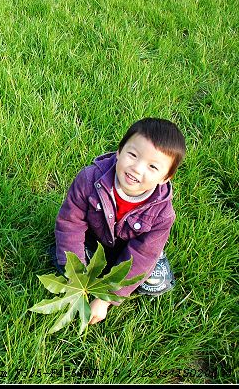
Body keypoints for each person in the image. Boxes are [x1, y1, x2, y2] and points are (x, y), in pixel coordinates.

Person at [48, 118, 186, 325]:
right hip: (97, 238)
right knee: (64, 259)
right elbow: (71, 223)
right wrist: (77, 276)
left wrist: (105, 299)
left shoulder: (162, 214)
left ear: (165, 178)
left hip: (133, 249)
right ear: (119, 151)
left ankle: (153, 262)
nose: (137, 169)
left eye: (152, 167)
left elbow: (142, 255)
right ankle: (87, 263)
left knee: (153, 282)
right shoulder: (89, 179)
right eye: (132, 155)